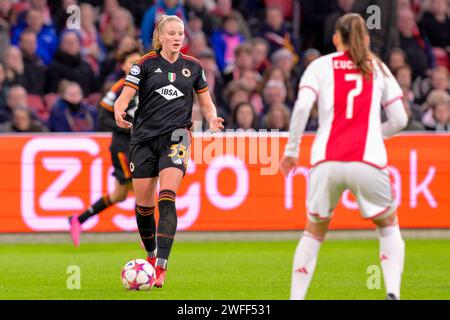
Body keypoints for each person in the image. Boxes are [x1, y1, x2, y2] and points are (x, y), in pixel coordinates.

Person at [280, 14, 408, 300]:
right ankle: (392, 292)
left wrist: (291, 151)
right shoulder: (378, 67)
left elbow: (301, 109)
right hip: (369, 162)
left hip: (327, 161)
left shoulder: (319, 66)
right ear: (365, 38)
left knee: (313, 233)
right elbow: (399, 119)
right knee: (388, 227)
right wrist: (375, 134)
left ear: (336, 38)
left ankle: (296, 298)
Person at [114, 15, 224, 288]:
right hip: (143, 140)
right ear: (160, 37)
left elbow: (206, 102)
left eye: (180, 33)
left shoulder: (194, 67)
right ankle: (150, 256)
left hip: (177, 137)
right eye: (172, 33)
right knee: (143, 206)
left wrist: (212, 118)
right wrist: (119, 109)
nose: (177, 37)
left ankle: (161, 266)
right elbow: (124, 97)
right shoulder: (145, 64)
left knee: (167, 196)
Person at [68, 50, 142, 247]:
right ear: (124, 66)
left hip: (139, 145)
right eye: (131, 62)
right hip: (122, 147)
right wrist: (128, 129)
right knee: (142, 188)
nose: (135, 65)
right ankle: (146, 236)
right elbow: (102, 118)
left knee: (119, 195)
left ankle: (78, 219)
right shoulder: (118, 88)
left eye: (138, 61)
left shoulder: (146, 86)